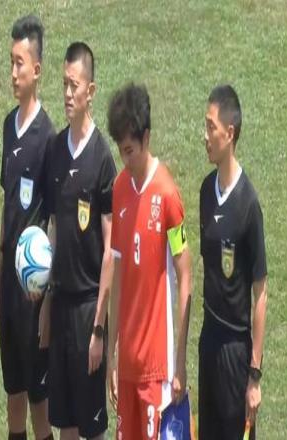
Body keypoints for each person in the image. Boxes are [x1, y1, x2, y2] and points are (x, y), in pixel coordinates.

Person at [106, 82, 192, 440]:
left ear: (146, 138)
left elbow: (186, 278)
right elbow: (118, 275)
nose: (125, 160)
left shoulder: (168, 195)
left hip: (157, 368)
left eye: (130, 150)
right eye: (120, 151)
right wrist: (112, 353)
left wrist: (179, 361)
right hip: (127, 366)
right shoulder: (119, 189)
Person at [43, 42, 116, 440]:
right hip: (60, 304)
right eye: (64, 85)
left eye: (74, 85)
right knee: (66, 422)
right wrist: (45, 302)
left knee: (91, 427)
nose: (68, 94)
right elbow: (53, 227)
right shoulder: (56, 149)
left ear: (91, 90)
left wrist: (99, 328)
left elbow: (110, 251)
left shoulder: (102, 158)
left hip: (88, 309)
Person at [0, 15, 55, 440]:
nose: (13, 72)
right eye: (11, 62)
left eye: (20, 63)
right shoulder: (7, 126)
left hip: (34, 292)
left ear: (37, 69)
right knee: (13, 395)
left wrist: (46, 295)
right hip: (9, 291)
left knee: (39, 403)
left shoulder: (48, 137)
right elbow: (7, 210)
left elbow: (53, 221)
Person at [198, 84, 267, 440]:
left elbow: (261, 293)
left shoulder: (248, 204)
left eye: (211, 127)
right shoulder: (205, 192)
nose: (205, 136)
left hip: (236, 351)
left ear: (230, 132)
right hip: (208, 340)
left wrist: (254, 375)